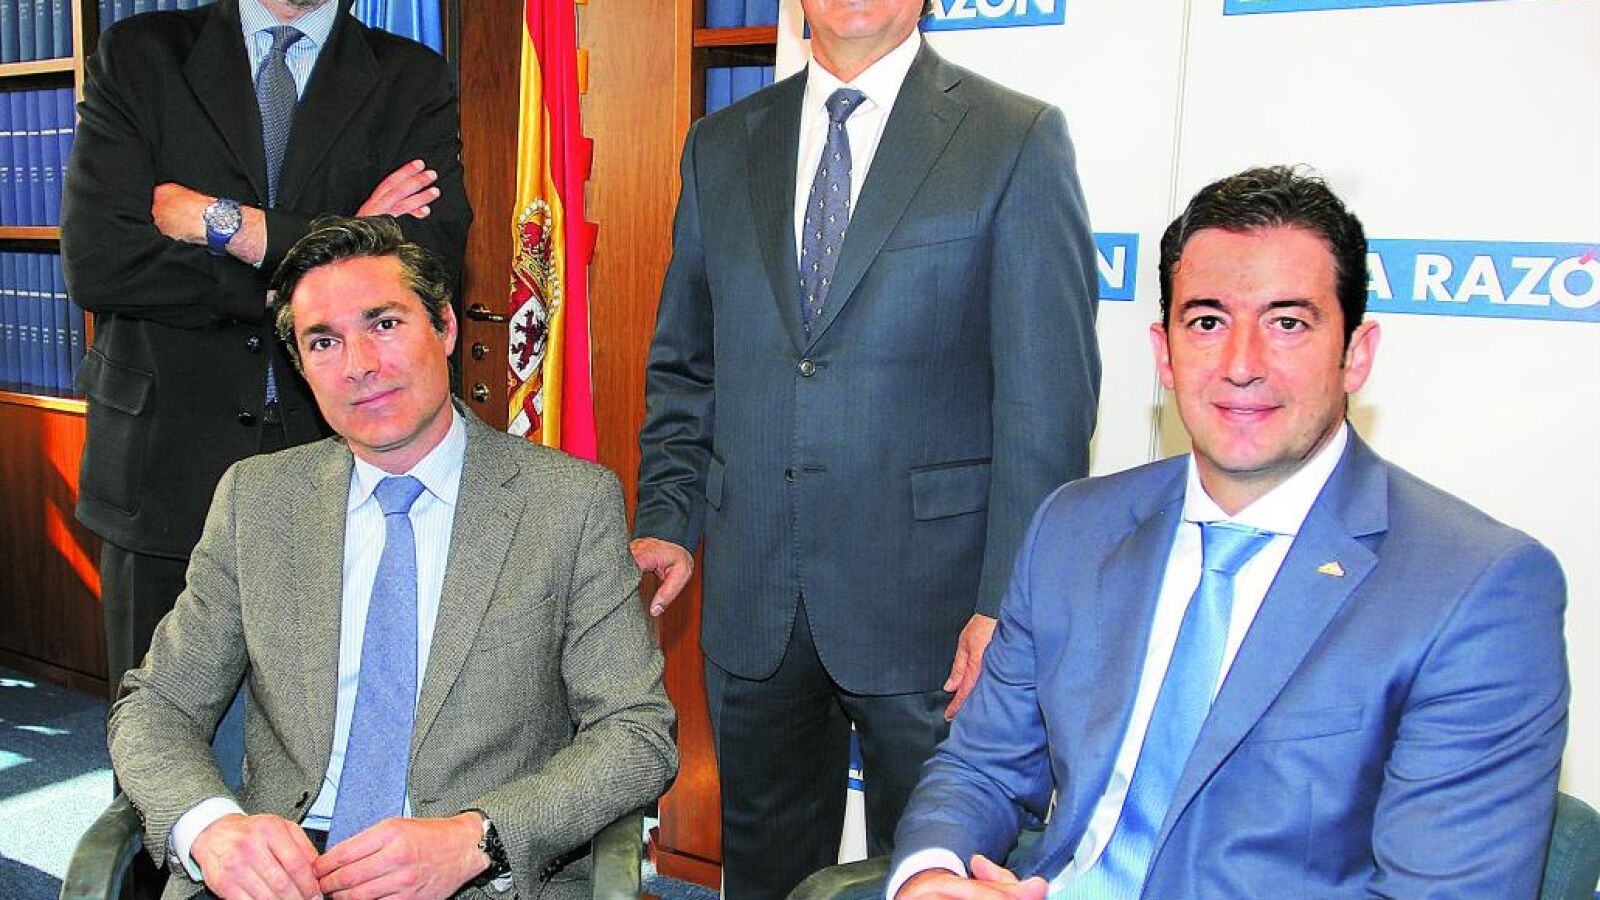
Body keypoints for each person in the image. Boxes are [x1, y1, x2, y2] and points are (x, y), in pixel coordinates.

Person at [888, 166, 1569, 899]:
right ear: (1165, 353)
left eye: (1287, 323)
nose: (1242, 365)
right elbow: (981, 768)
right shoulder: (1073, 527)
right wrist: (933, 873)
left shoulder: (1476, 589)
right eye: (1208, 322)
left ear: (1357, 353)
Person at [632, 0, 1100, 893]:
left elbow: (1046, 404)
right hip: (756, 598)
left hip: (936, 615)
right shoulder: (720, 145)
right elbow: (686, 366)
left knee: (928, 873)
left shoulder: (1014, 139)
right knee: (765, 878)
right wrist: (667, 514)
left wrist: (1008, 606)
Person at [107, 217, 675, 900]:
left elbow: (636, 731)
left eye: (384, 324)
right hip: (283, 872)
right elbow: (157, 704)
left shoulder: (568, 503)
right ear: (301, 368)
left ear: (445, 327)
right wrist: (212, 828)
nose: (359, 365)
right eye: (324, 341)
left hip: (474, 872)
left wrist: (480, 837)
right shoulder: (257, 500)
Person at [61, 0, 472, 700]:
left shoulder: (409, 77)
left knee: (328, 730)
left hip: (342, 461)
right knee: (157, 731)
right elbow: (102, 262)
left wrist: (230, 226)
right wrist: (344, 244)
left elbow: (428, 267)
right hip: (163, 462)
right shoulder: (139, 56)